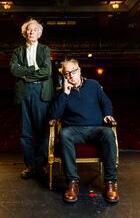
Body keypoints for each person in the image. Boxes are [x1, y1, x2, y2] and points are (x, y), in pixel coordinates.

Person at [49, 58, 119, 203]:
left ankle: (110, 183)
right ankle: (72, 183)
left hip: (96, 128)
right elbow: (55, 115)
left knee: (108, 133)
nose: (70, 76)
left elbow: (105, 102)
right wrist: (65, 94)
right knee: (64, 134)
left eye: (73, 72)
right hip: (74, 130)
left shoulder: (93, 85)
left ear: (79, 70)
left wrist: (107, 114)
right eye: (66, 74)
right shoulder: (61, 93)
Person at [10, 19, 54, 179]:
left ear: (39, 33)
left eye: (35, 30)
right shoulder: (17, 51)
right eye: (29, 30)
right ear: (25, 33)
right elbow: (14, 70)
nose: (31, 32)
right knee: (25, 133)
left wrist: (25, 74)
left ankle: (40, 164)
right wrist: (32, 69)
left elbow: (47, 71)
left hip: (40, 91)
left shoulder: (44, 49)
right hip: (23, 92)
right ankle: (30, 165)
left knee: (42, 130)